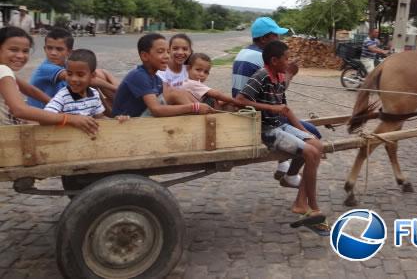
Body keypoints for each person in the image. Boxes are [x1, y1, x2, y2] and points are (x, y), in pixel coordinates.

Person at [235, 41, 329, 236]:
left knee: (317, 145)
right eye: (286, 58)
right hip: (267, 130)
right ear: (274, 60)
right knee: (311, 153)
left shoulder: (278, 77)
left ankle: (300, 203)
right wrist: (271, 108)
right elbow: (240, 100)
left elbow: (286, 110)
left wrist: (307, 133)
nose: (289, 61)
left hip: (281, 124)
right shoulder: (261, 76)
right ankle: (313, 207)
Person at [231, 16, 321, 188]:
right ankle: (292, 176)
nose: (279, 40)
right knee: (313, 132)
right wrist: (290, 74)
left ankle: (282, 164)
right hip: (259, 116)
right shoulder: (262, 60)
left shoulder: (244, 52)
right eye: (276, 36)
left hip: (250, 110)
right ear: (264, 38)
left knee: (293, 124)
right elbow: (278, 91)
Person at [0, 26, 98, 135]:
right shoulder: (3, 70)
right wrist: (68, 118)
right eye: (13, 50)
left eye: (25, 51)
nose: (20, 56)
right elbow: (19, 110)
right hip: (6, 134)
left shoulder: (6, 71)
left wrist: (54, 105)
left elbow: (30, 90)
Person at [112, 33, 213, 118]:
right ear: (144, 56)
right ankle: (204, 119)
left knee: (180, 93)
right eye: (161, 52)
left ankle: (207, 115)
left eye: (168, 52)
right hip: (127, 121)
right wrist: (194, 107)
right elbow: (156, 110)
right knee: (176, 94)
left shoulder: (156, 79)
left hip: (142, 116)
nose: (167, 56)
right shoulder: (138, 75)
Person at [27, 27, 119, 112]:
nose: (53, 53)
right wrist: (115, 88)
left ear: (69, 52)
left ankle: (112, 109)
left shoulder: (68, 67)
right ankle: (115, 105)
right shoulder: (45, 68)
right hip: (47, 113)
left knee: (100, 73)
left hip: (66, 107)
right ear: (44, 49)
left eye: (59, 49)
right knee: (92, 77)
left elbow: (90, 86)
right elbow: (91, 81)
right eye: (49, 48)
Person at [44, 49, 106, 118]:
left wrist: (115, 121)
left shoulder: (94, 94)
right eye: (69, 74)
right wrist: (72, 119)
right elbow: (45, 117)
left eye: (80, 75)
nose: (73, 79)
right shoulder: (63, 96)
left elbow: (100, 118)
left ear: (92, 76)